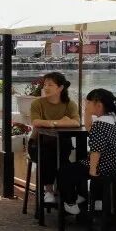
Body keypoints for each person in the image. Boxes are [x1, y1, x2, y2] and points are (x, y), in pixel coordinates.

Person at [58, 89, 116, 216]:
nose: (86, 105)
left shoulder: (99, 125)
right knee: (79, 166)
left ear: (99, 105)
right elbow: (89, 128)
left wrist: (92, 170)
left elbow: (96, 150)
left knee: (65, 171)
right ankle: (95, 201)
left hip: (104, 166)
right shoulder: (113, 120)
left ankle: (71, 202)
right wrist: (87, 112)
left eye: (88, 103)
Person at [28, 72, 80, 206]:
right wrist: (62, 121)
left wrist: (51, 123)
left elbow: (76, 123)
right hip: (37, 145)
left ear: (60, 88)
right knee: (48, 154)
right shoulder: (37, 103)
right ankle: (50, 191)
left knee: (64, 162)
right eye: (45, 84)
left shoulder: (70, 104)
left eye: (50, 85)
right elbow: (36, 122)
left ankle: (67, 196)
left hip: (61, 145)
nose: (46, 87)